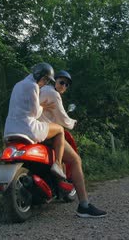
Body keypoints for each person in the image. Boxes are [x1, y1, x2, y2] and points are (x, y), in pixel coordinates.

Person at [39, 70, 108, 218]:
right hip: (45, 132)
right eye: (61, 82)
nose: (64, 86)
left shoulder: (41, 89)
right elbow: (63, 119)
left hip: (30, 130)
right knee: (76, 160)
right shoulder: (53, 94)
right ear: (54, 81)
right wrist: (73, 122)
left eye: (66, 84)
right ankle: (84, 205)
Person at [4, 62, 66, 179]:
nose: (45, 84)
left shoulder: (18, 84)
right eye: (46, 81)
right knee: (60, 130)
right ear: (43, 78)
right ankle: (57, 164)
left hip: (9, 129)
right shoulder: (34, 86)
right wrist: (43, 107)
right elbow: (35, 113)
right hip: (27, 128)